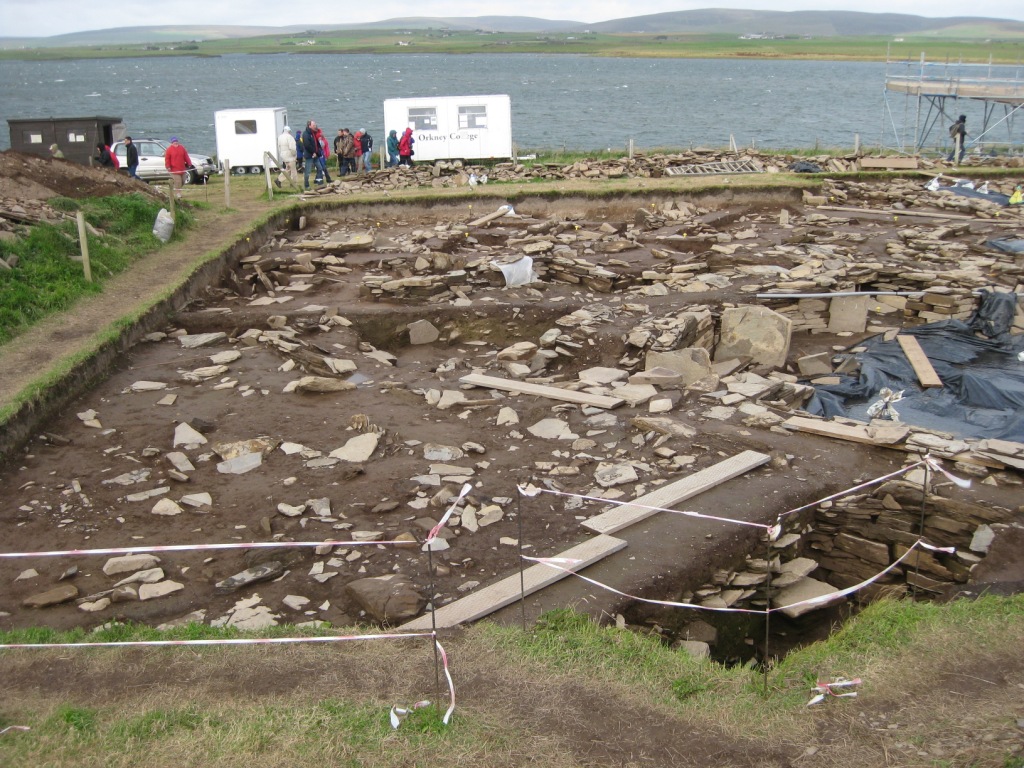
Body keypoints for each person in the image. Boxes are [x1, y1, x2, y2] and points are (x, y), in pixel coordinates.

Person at [300, 121, 321, 189]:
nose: (315, 126)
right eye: (314, 125)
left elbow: (316, 142)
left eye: (315, 124)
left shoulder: (313, 133)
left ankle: (318, 181)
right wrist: (313, 152)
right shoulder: (306, 134)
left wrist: (318, 151)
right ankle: (306, 185)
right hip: (309, 155)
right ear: (309, 126)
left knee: (320, 168)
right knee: (308, 171)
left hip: (315, 154)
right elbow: (307, 145)